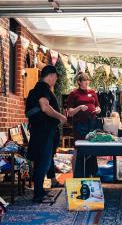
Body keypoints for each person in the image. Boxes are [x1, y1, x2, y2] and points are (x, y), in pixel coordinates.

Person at [25, 65, 67, 203]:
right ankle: (38, 194)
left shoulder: (38, 88)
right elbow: (44, 107)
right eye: (55, 77)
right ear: (50, 75)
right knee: (43, 161)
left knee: (42, 161)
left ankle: (40, 191)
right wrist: (60, 116)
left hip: (40, 130)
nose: (55, 80)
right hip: (44, 131)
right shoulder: (43, 88)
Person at [67, 72, 101, 177]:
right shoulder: (74, 94)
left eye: (88, 80)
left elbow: (98, 107)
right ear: (79, 82)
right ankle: (78, 173)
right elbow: (70, 112)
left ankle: (92, 172)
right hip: (79, 124)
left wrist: (97, 109)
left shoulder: (92, 92)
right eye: (84, 80)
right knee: (80, 148)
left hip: (92, 123)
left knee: (92, 147)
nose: (87, 82)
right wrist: (79, 107)